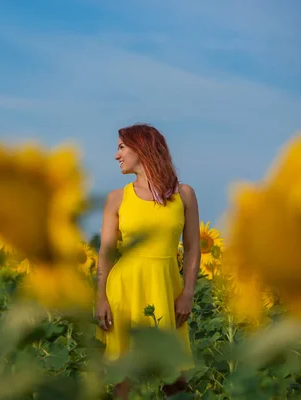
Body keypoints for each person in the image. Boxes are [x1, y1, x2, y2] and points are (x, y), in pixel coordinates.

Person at [95, 123, 201, 399]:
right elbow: (105, 253)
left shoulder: (184, 194)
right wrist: (101, 299)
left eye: (121, 147)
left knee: (175, 379)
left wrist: (188, 292)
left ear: (141, 148)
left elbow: (192, 249)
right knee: (125, 381)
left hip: (167, 291)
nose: (116, 155)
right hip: (125, 291)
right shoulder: (117, 198)